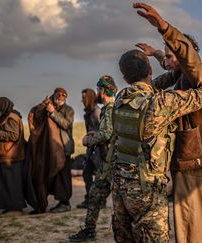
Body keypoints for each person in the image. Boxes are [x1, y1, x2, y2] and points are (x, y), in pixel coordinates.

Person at [135, 3, 202, 242]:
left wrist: (164, 27)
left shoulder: (198, 73)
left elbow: (186, 58)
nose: (165, 61)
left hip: (199, 161)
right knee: (188, 219)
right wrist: (156, 52)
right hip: (190, 158)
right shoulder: (181, 76)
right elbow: (173, 64)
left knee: (200, 222)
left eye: (169, 55)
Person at [110, 47, 202, 242]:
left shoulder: (122, 97)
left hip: (120, 184)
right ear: (150, 70)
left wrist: (164, 59)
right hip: (146, 187)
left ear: (125, 78)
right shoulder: (159, 103)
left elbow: (160, 82)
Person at [69, 75, 118, 242]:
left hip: (112, 162)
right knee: (96, 196)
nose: (97, 92)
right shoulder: (110, 108)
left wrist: (88, 140)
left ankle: (95, 231)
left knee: (103, 197)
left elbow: (107, 134)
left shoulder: (110, 109)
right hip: (110, 161)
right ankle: (89, 231)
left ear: (103, 91)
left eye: (99, 89)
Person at [27, 87, 75, 213]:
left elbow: (66, 124)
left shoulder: (68, 110)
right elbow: (36, 115)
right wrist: (44, 106)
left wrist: (53, 112)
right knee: (51, 175)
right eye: (58, 95)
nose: (60, 97)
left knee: (63, 176)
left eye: (63, 95)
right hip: (50, 149)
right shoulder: (49, 107)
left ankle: (65, 203)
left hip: (64, 148)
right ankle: (48, 202)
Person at [77, 88, 101, 209]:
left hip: (99, 150)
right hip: (91, 149)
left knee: (98, 177)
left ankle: (98, 201)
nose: (82, 100)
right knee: (86, 174)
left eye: (84, 98)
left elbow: (102, 131)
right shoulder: (88, 113)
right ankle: (89, 200)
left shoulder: (96, 112)